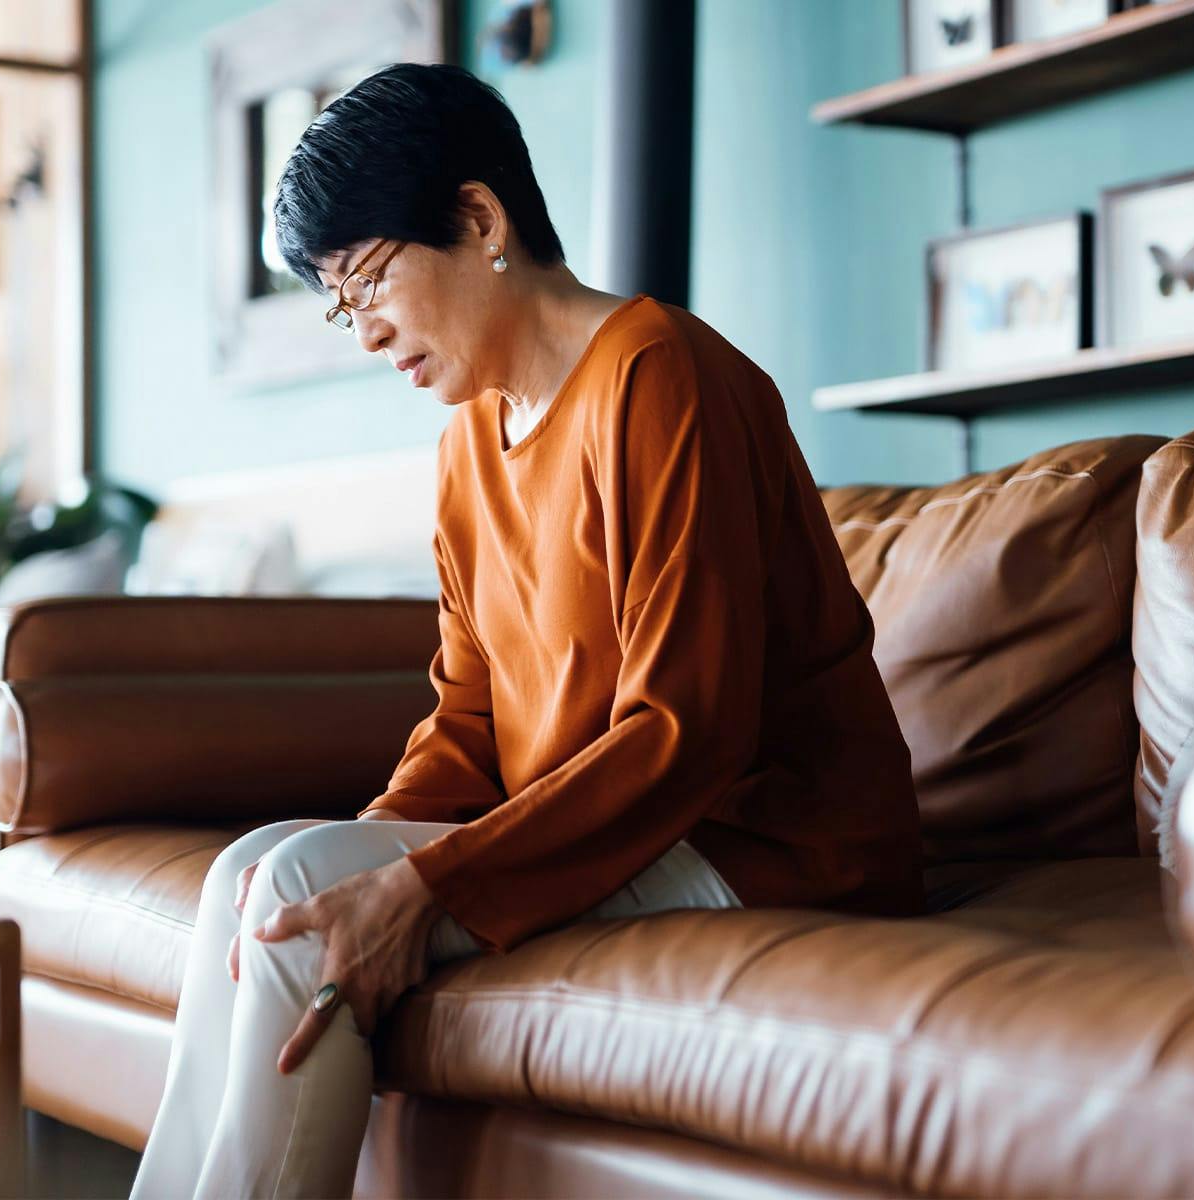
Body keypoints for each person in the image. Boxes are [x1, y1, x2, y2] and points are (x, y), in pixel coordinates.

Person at [129, 62, 925, 1200]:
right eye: (337, 304)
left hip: (769, 845)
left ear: (477, 218)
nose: (361, 333)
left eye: (365, 284)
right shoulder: (467, 439)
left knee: (299, 887)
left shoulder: (661, 374)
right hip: (618, 832)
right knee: (258, 879)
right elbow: (467, 715)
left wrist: (422, 888)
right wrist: (372, 855)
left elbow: (685, 730)